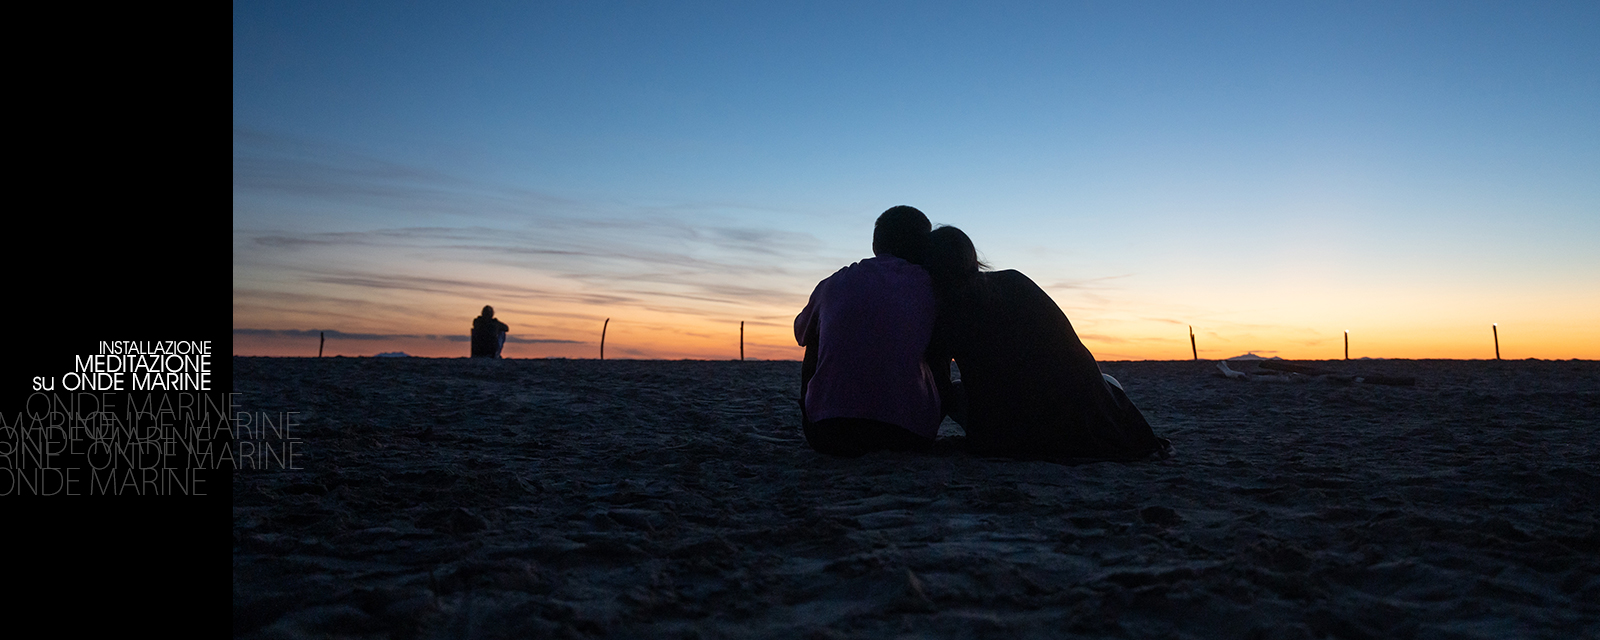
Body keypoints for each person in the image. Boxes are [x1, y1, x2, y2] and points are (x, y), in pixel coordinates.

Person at [923, 225, 1171, 461]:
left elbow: (940, 385)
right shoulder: (1015, 281)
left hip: (1011, 436)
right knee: (1108, 382)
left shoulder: (943, 312)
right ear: (972, 259)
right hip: (1083, 423)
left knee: (956, 389)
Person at [794, 206, 944, 457]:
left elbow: (801, 335)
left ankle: (819, 408)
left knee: (814, 336)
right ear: (925, 246)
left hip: (826, 433)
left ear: (875, 244)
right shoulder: (934, 287)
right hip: (910, 437)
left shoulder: (834, 282)